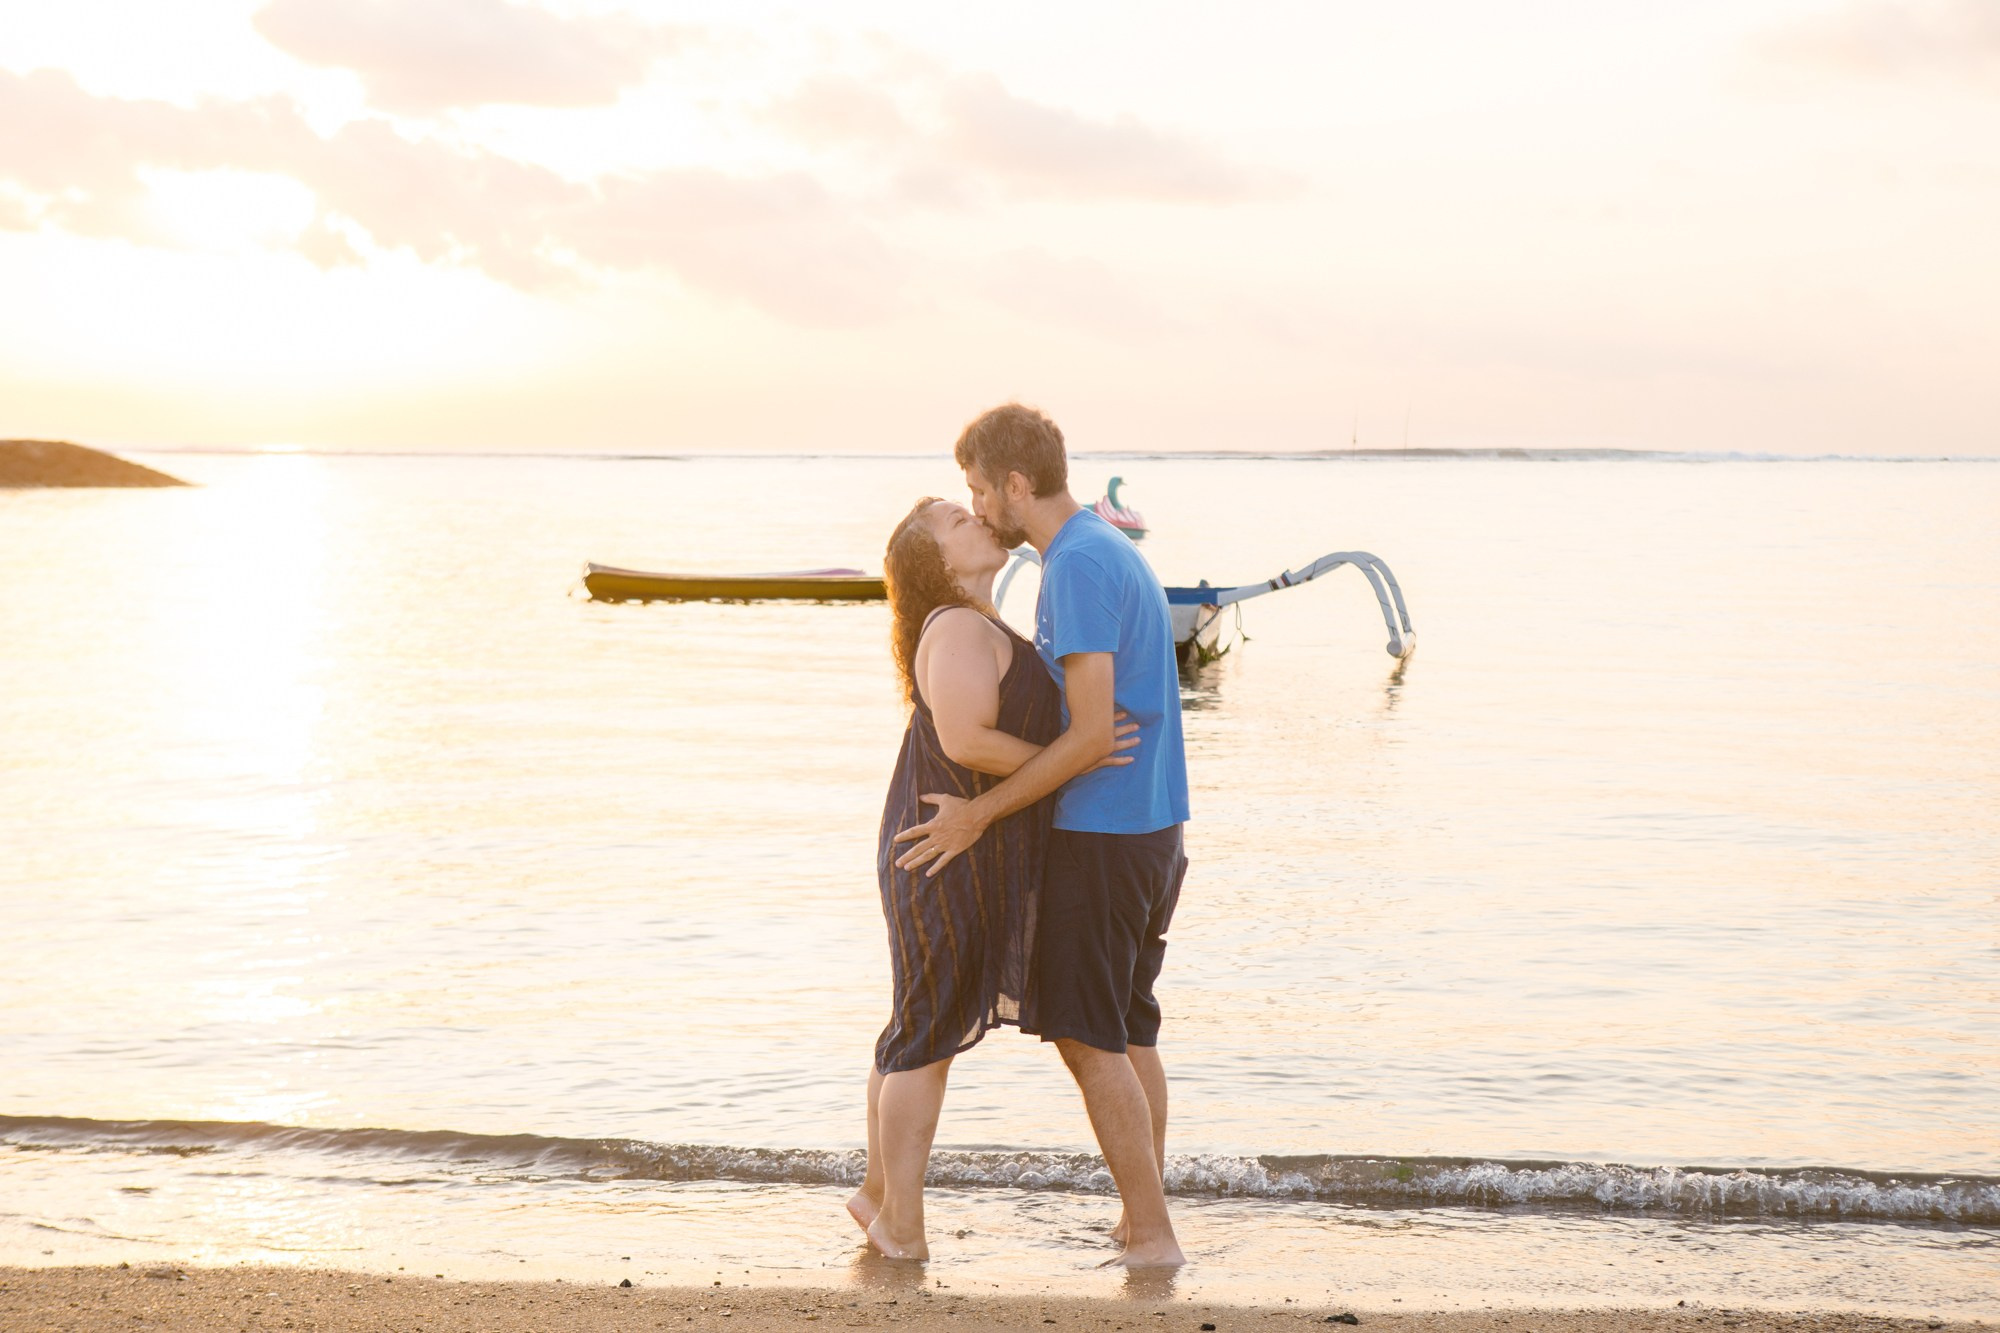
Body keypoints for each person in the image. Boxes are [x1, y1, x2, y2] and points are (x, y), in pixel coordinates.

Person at [894, 403, 1192, 1269]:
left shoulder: (1077, 564)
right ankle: (1144, 1216)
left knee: (1090, 1039)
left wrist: (978, 812)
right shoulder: (1100, 548)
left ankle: (1152, 1234)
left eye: (981, 490)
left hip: (1108, 836)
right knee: (1130, 1030)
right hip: (1150, 827)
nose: (979, 506)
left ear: (1016, 485)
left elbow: (1094, 734)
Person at [848, 495, 1139, 1261]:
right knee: (926, 1031)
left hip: (952, 844)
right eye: (956, 521)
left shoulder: (974, 624)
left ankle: (879, 1197)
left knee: (920, 1023)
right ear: (936, 563)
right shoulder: (956, 627)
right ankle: (899, 1223)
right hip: (942, 848)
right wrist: (1085, 752)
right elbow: (966, 737)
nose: (978, 519)